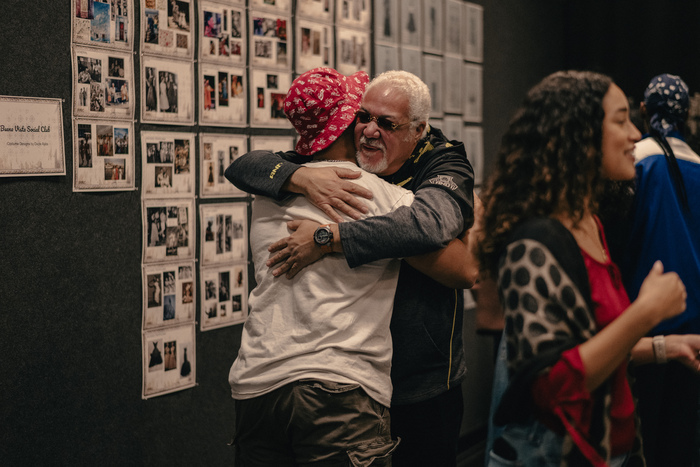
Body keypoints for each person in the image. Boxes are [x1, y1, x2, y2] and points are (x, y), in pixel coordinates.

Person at [228, 67, 477, 466]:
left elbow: (452, 254)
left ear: (419, 130)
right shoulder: (353, 187)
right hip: (345, 387)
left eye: (387, 123)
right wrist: (301, 178)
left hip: (415, 380)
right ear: (347, 122)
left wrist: (329, 237)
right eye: (363, 117)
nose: (371, 130)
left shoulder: (442, 161)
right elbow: (243, 165)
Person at [477, 70, 696, 466]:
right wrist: (646, 312)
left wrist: (668, 347)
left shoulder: (590, 224)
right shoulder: (535, 242)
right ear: (578, 135)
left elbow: (594, 347)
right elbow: (553, 387)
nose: (634, 134)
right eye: (620, 119)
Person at [609, 73, 700, 467]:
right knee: (681, 437)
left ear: (644, 109)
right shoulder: (698, 163)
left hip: (641, 318)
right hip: (693, 318)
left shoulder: (634, 159)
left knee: (640, 437)